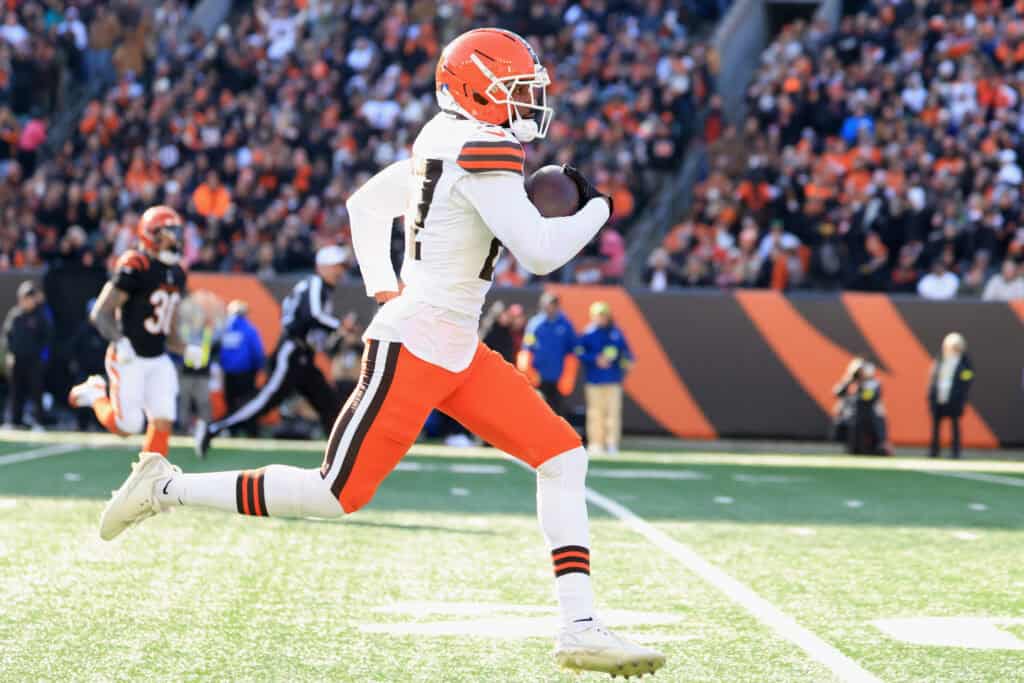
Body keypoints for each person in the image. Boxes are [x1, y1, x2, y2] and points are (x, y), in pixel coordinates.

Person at [99, 28, 663, 678]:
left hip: (454, 345)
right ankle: (163, 485)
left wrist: (381, 285)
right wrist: (599, 211)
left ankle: (579, 626)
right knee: (334, 491)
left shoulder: (443, 137)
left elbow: (365, 204)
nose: (527, 103)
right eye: (515, 90)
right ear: (477, 89)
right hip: (420, 343)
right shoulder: (483, 145)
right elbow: (538, 251)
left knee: (562, 456)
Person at [67, 206, 199, 456]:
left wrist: (184, 348)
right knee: (128, 426)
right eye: (169, 232)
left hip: (158, 359)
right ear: (151, 234)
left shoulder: (177, 272)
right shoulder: (136, 264)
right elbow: (101, 312)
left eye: (176, 232)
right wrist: (120, 342)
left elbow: (168, 330)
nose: (176, 238)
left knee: (164, 419)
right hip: (130, 356)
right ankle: (96, 394)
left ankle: (148, 481)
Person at [193, 246, 348, 456]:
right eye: (336, 266)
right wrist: (339, 326)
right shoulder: (315, 284)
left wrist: (334, 334)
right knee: (264, 401)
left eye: (341, 266)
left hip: (304, 356)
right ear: (322, 266)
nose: (340, 271)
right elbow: (314, 315)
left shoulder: (321, 289)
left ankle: (342, 454)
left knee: (329, 404)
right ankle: (214, 428)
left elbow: (314, 326)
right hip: (292, 353)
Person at [575, 302, 633, 454]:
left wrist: (620, 361)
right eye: (597, 315)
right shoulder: (588, 333)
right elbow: (580, 353)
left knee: (613, 413)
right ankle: (596, 444)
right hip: (593, 380)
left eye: (603, 315)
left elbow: (627, 354)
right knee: (595, 413)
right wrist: (596, 358)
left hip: (613, 380)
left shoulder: (616, 333)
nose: (600, 318)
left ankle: (612, 444)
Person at [520, 292, 578, 417]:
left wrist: (568, 376)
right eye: (547, 304)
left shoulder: (566, 325)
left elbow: (572, 353)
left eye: (552, 304)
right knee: (536, 412)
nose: (549, 307)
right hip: (538, 378)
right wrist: (530, 373)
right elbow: (526, 350)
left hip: (558, 378)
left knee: (557, 414)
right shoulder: (535, 324)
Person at [3, 281, 52, 428]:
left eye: (30, 297)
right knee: (16, 392)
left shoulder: (40, 314)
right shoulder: (15, 314)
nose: (27, 301)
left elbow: (47, 336)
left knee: (36, 391)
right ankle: (15, 421)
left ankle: (39, 421)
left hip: (34, 360)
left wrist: (39, 354)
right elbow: (7, 336)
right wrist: (10, 354)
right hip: (17, 359)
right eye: (24, 297)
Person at [217, 300, 265, 437]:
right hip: (246, 374)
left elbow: (220, 352)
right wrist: (258, 369)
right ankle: (252, 432)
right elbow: (257, 351)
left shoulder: (224, 329)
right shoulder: (249, 329)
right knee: (249, 403)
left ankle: (233, 430)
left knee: (231, 403)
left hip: (229, 374)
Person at [928, 332, 973, 459]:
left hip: (954, 399)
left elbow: (968, 377)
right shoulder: (941, 359)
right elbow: (934, 377)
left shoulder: (964, 361)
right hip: (939, 397)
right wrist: (932, 394)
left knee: (954, 425)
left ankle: (955, 452)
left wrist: (960, 394)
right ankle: (934, 451)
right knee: (936, 426)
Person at [832, 358, 889, 456]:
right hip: (854, 417)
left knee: (876, 438)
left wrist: (860, 387)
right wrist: (849, 380)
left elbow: (868, 398)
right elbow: (837, 393)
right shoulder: (851, 381)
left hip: (870, 416)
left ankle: (879, 449)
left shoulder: (873, 383)